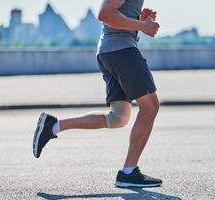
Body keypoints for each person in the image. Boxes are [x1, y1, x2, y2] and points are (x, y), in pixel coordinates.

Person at [32, 0, 162, 188]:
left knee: (118, 118)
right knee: (150, 107)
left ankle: (53, 126)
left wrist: (138, 20)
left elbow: (116, 22)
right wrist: (142, 25)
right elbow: (105, 14)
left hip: (111, 52)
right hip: (122, 52)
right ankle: (128, 172)